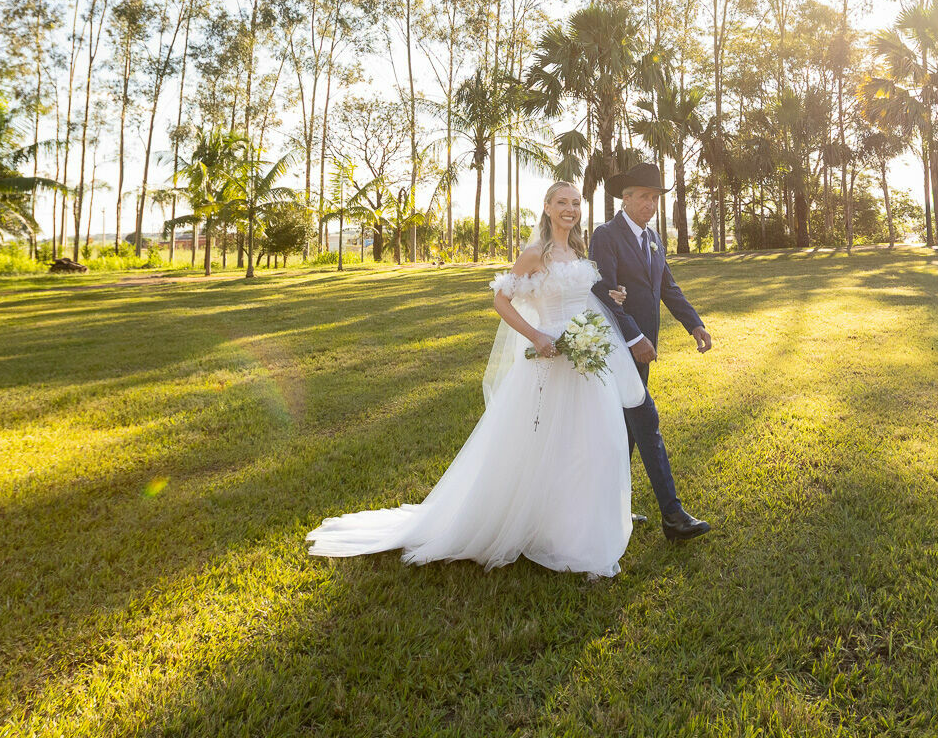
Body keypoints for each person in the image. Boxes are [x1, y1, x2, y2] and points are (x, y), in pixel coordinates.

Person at [306, 182, 643, 576]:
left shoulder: (578, 251)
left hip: (585, 362)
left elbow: (580, 298)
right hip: (549, 365)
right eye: (562, 203)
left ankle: (575, 529)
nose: (570, 209)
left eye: (575, 203)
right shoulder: (534, 255)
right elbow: (501, 300)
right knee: (541, 447)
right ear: (548, 207)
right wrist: (537, 335)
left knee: (594, 445)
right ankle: (535, 527)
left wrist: (609, 299)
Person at [588, 162, 716, 542]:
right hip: (620, 346)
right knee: (646, 422)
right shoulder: (606, 235)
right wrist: (632, 338)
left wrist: (694, 323)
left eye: (655, 197)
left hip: (644, 349)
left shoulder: (654, 238)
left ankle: (612, 506)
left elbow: (669, 288)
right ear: (625, 199)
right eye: (643, 196)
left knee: (627, 429)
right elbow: (603, 292)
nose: (650, 204)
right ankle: (673, 516)